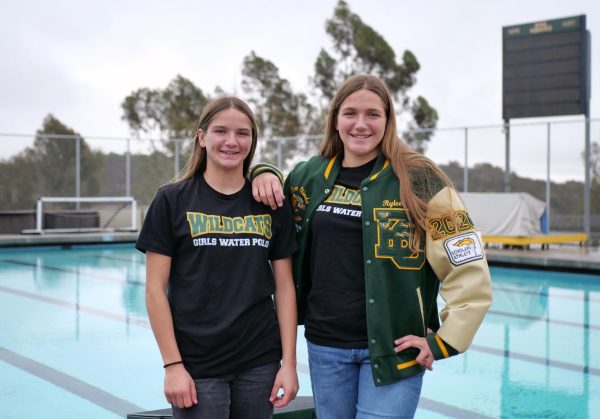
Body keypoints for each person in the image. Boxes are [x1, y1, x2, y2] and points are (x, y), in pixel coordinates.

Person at [251, 74, 492, 418]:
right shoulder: (308, 176)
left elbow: (467, 265)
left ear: (388, 121)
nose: (360, 124)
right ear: (335, 119)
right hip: (325, 346)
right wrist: (263, 171)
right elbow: (262, 203)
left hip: (395, 351)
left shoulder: (421, 180)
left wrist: (444, 341)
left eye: (372, 114)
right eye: (350, 113)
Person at [136, 96, 299, 419]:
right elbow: (155, 289)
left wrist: (289, 365)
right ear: (202, 137)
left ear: (252, 141)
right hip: (197, 364)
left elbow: (285, 287)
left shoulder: (269, 203)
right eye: (221, 131)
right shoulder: (172, 200)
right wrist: (173, 366)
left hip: (259, 360)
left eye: (242, 133)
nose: (231, 141)